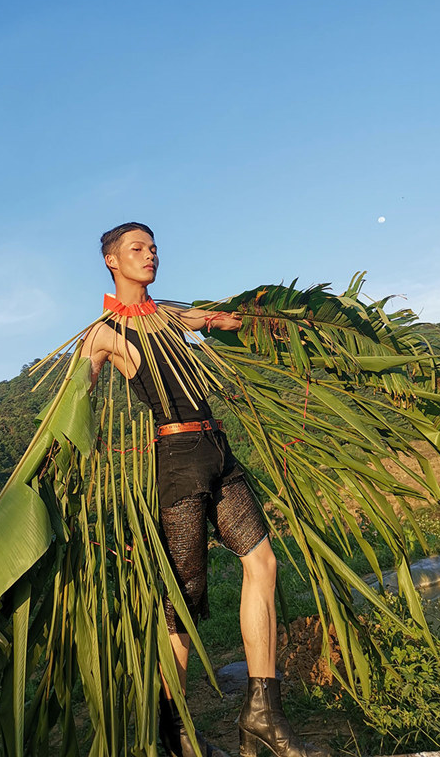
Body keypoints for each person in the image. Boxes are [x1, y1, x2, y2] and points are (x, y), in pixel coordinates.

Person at [81, 222, 329, 757]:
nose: (150, 255)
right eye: (137, 249)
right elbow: (78, 404)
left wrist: (278, 320)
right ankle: (171, 738)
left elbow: (224, 319)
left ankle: (262, 716)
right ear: (110, 260)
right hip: (175, 461)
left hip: (217, 451)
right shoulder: (104, 332)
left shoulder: (170, 314)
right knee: (183, 600)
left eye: (153, 248)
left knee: (262, 563)